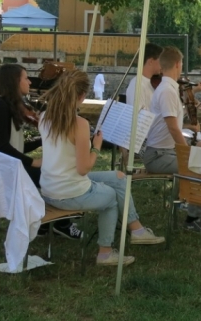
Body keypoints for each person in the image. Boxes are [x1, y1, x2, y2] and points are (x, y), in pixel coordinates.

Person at [38, 70, 165, 267]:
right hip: (69, 191)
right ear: (81, 96)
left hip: (49, 188)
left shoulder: (44, 117)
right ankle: (105, 253)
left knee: (119, 177)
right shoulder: (78, 124)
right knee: (111, 198)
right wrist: (96, 145)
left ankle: (137, 229)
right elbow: (84, 168)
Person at [0, 64, 81, 240]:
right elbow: (2, 147)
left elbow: (15, 146)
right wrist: (32, 162)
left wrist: (44, 140)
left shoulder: (10, 105)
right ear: (15, 82)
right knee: (52, 175)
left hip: (5, 164)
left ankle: (48, 224)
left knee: (52, 173)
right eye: (26, 78)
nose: (30, 81)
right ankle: (61, 223)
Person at [142, 46, 201, 233]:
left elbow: (174, 126)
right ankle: (193, 217)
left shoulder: (169, 88)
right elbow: (173, 128)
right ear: (178, 65)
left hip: (165, 152)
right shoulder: (167, 91)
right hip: (158, 156)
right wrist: (186, 152)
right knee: (199, 166)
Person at [125, 42, 163, 111]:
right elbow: (138, 116)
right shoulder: (137, 84)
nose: (163, 64)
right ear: (151, 61)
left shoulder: (151, 82)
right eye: (160, 60)